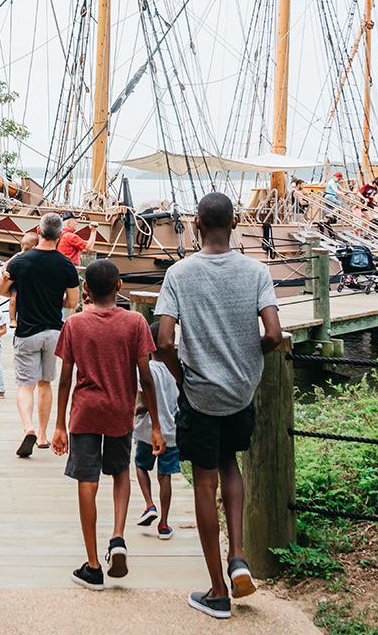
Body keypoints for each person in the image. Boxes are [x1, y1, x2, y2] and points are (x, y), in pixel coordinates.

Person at [157, 192, 282, 620]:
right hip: (240, 392)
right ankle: (240, 557)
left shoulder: (179, 273)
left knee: (204, 482)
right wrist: (251, 360)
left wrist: (181, 376)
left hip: (201, 394)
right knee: (231, 465)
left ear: (195, 224)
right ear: (234, 224)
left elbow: (164, 341)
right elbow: (273, 332)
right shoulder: (257, 270)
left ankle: (216, 591)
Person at [51, 259, 163, 590]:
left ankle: (93, 564)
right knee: (120, 472)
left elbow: (64, 380)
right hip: (120, 411)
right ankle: (117, 537)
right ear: (119, 287)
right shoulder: (136, 322)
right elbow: (147, 377)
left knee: (87, 481)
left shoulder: (74, 324)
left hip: (85, 412)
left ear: (85, 288)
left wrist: (58, 425)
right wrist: (156, 425)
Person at [0, 212, 81, 457]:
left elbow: (3, 292)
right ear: (59, 235)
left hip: (26, 332)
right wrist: (57, 297)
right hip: (53, 332)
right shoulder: (67, 265)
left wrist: (7, 268)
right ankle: (43, 437)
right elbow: (72, 303)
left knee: (26, 385)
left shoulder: (21, 261)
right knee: (46, 384)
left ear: (39, 230)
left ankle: (28, 428)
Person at [134, 319, 181, 541]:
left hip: (146, 430)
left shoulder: (146, 370)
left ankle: (148, 504)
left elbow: (146, 403)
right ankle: (164, 523)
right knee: (165, 477)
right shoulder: (177, 370)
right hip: (170, 432)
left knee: (141, 466)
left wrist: (133, 412)